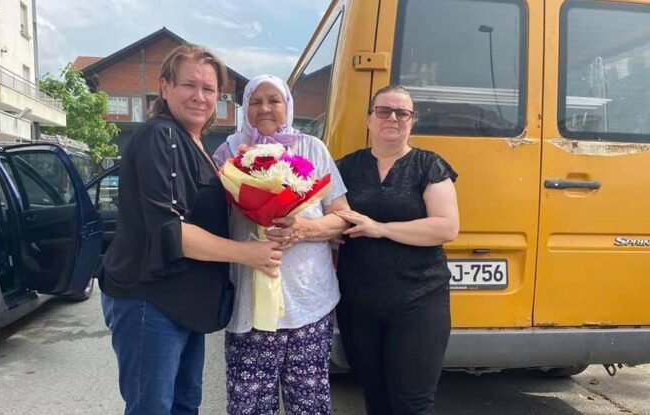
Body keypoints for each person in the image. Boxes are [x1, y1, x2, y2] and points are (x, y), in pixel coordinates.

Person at [99, 45, 283, 415]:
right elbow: (172, 229)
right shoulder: (160, 137)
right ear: (165, 87)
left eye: (209, 89)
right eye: (189, 85)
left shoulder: (195, 143)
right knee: (152, 407)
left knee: (185, 405)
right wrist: (249, 254)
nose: (199, 96)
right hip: (151, 298)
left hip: (185, 302)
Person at [212, 74, 349, 415]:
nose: (265, 108)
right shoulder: (227, 154)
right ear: (245, 108)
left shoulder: (312, 149)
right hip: (251, 305)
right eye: (255, 101)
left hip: (309, 303)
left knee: (310, 405)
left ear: (287, 105)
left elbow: (342, 218)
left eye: (274, 100)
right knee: (249, 407)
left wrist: (305, 228)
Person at [334, 85, 460, 415]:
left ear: (412, 121)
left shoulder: (429, 165)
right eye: (384, 111)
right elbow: (327, 216)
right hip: (359, 303)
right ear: (369, 120)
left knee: (412, 402)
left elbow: (447, 227)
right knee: (375, 397)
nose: (393, 118)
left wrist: (380, 229)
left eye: (402, 113)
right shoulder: (345, 168)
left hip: (419, 300)